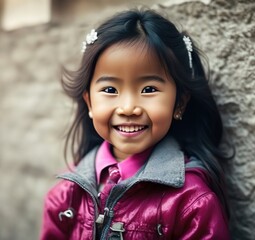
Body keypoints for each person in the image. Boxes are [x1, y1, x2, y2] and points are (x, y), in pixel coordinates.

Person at [40, 8, 233, 239]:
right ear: (89, 102)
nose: (129, 108)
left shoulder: (191, 203)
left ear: (179, 102)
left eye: (149, 89)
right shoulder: (66, 195)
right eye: (110, 90)